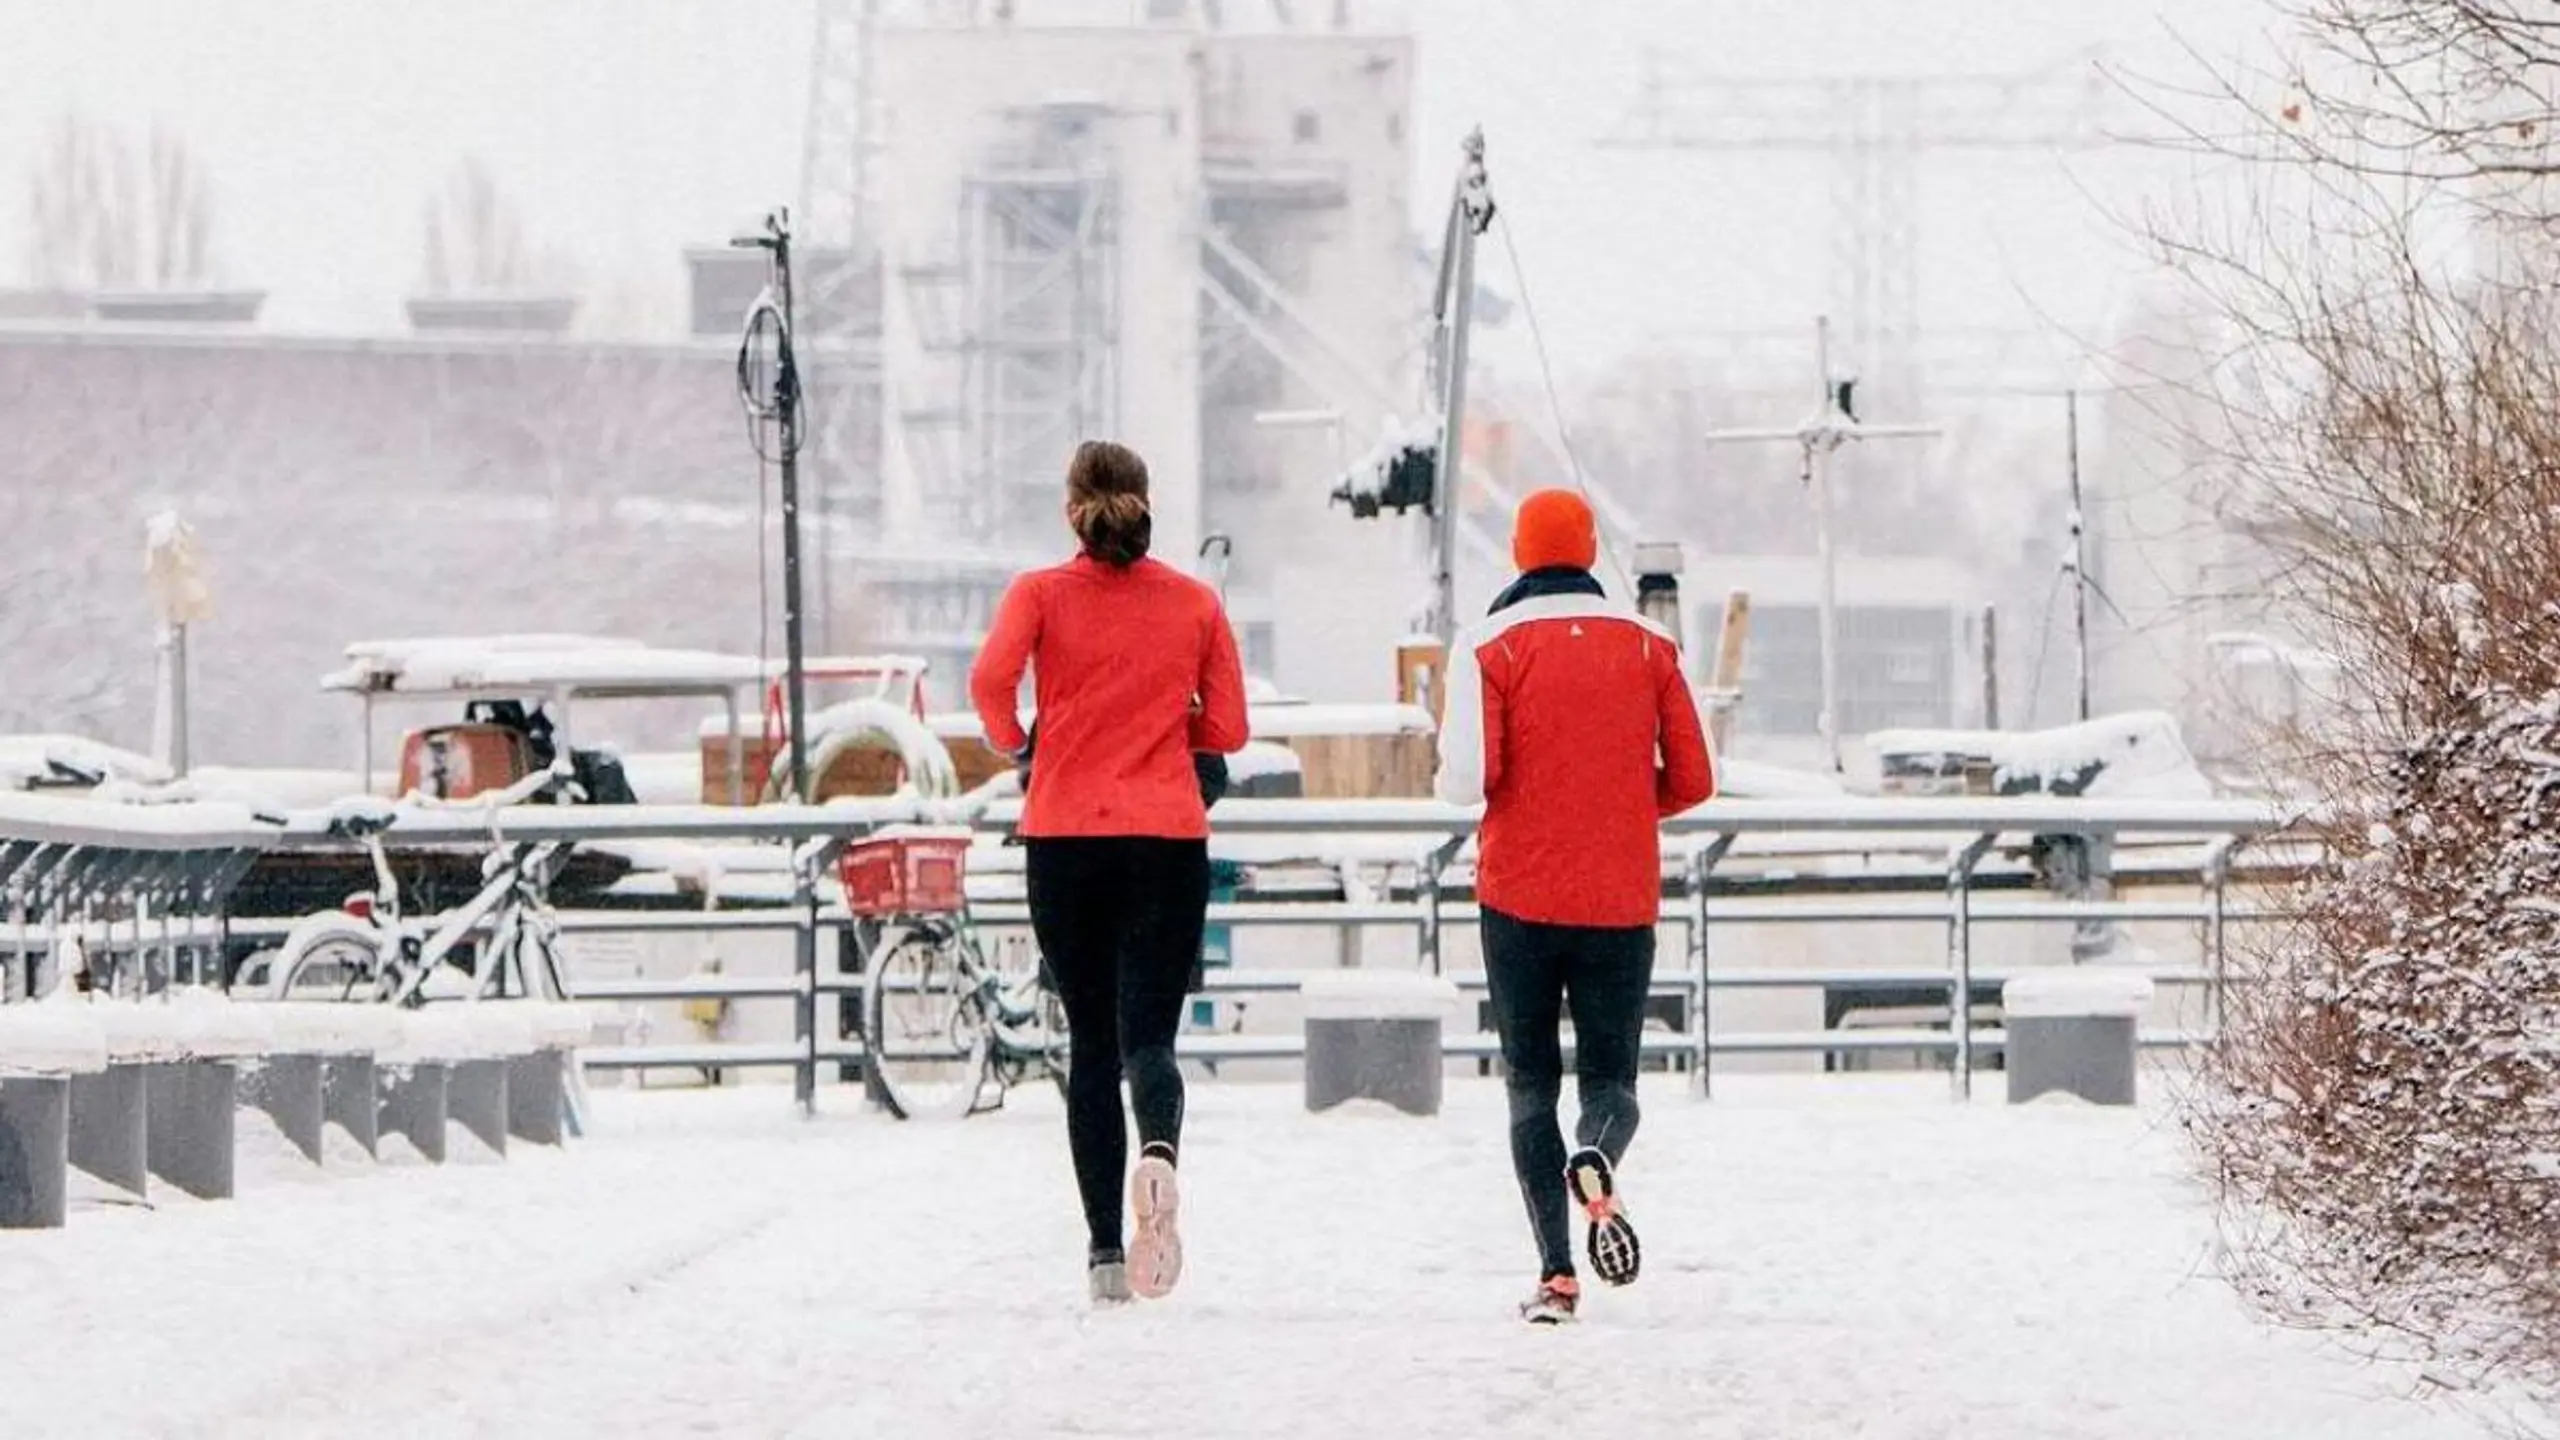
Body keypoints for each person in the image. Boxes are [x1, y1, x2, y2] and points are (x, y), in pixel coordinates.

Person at [970, 438, 1250, 1308]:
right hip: (1166, 839)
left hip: (1066, 839)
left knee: (1090, 1046)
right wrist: (1181, 741)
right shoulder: (1194, 603)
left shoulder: (1041, 596)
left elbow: (989, 683)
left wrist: (1026, 744)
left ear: (1072, 509)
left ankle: (1102, 1253)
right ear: (1144, 500)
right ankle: (1158, 1154)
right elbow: (1231, 730)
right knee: (1150, 1042)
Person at [1433, 488, 1717, 1324]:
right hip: (1620, 894)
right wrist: (1624, 806)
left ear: (1520, 552)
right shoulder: (1650, 645)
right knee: (1611, 1079)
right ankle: (1596, 1151)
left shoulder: (1488, 644)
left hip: (1517, 894)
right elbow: (1696, 779)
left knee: (1529, 1086)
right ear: (1592, 551)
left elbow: (1463, 782)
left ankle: (1557, 1277)